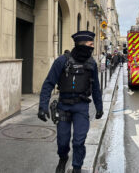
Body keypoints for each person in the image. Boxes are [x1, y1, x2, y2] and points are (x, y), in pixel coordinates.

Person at [38, 31, 103, 173]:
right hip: (64, 106)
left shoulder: (91, 63)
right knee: (62, 141)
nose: (92, 47)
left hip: (81, 107)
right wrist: (43, 106)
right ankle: (63, 158)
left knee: (79, 141)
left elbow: (96, 87)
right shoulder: (62, 61)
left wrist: (99, 107)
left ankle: (77, 167)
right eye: (91, 45)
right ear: (82, 45)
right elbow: (48, 84)